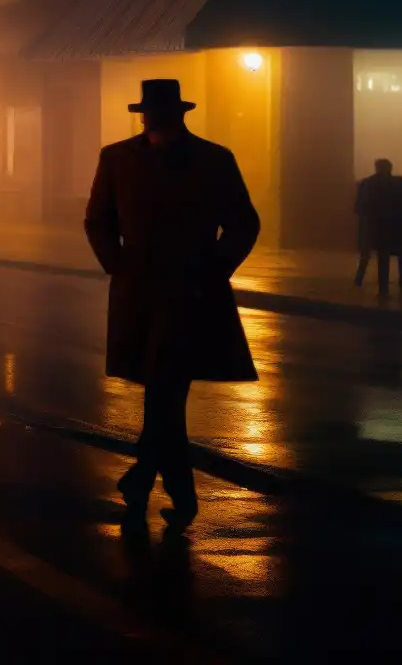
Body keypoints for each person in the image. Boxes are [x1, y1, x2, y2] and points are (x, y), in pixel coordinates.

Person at [85, 78, 259, 529]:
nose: (152, 123)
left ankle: (153, 482)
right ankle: (162, 486)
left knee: (165, 386)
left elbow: (243, 224)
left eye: (157, 116)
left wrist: (212, 268)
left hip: (190, 291)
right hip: (143, 289)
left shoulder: (213, 160)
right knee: (165, 391)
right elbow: (97, 220)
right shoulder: (117, 158)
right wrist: (118, 267)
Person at [355, 157, 402, 294]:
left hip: (376, 226)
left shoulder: (367, 183)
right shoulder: (399, 182)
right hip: (398, 225)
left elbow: (360, 207)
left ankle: (381, 287)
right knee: (401, 254)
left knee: (381, 256)